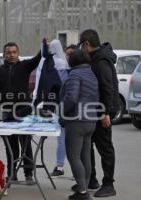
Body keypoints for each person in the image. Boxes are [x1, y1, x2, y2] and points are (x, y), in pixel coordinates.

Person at [0, 42, 41, 184]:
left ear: (18, 53)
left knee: (25, 143)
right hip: (5, 112)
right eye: (8, 52)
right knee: (10, 145)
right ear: (4, 55)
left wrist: (43, 46)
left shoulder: (25, 66)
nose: (11, 55)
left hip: (23, 110)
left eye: (14, 52)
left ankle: (28, 174)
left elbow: (38, 59)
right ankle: (12, 173)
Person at [79, 29, 119, 197]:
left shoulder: (101, 61)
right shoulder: (95, 58)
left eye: (82, 45)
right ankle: (91, 179)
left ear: (87, 44)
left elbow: (107, 87)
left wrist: (105, 112)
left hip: (101, 111)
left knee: (105, 147)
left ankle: (109, 184)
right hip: (92, 110)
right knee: (88, 145)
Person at [60, 49, 99, 200]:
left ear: (72, 61)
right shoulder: (91, 74)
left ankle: (82, 193)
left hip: (76, 120)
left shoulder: (74, 75)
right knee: (85, 156)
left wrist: (61, 111)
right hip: (91, 120)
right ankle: (84, 187)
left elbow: (71, 97)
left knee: (74, 156)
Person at [50, 44, 77, 177]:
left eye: (71, 54)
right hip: (62, 111)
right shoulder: (62, 69)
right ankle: (59, 166)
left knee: (77, 142)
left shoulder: (78, 72)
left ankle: (78, 172)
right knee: (61, 139)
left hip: (77, 113)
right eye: (67, 54)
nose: (69, 56)